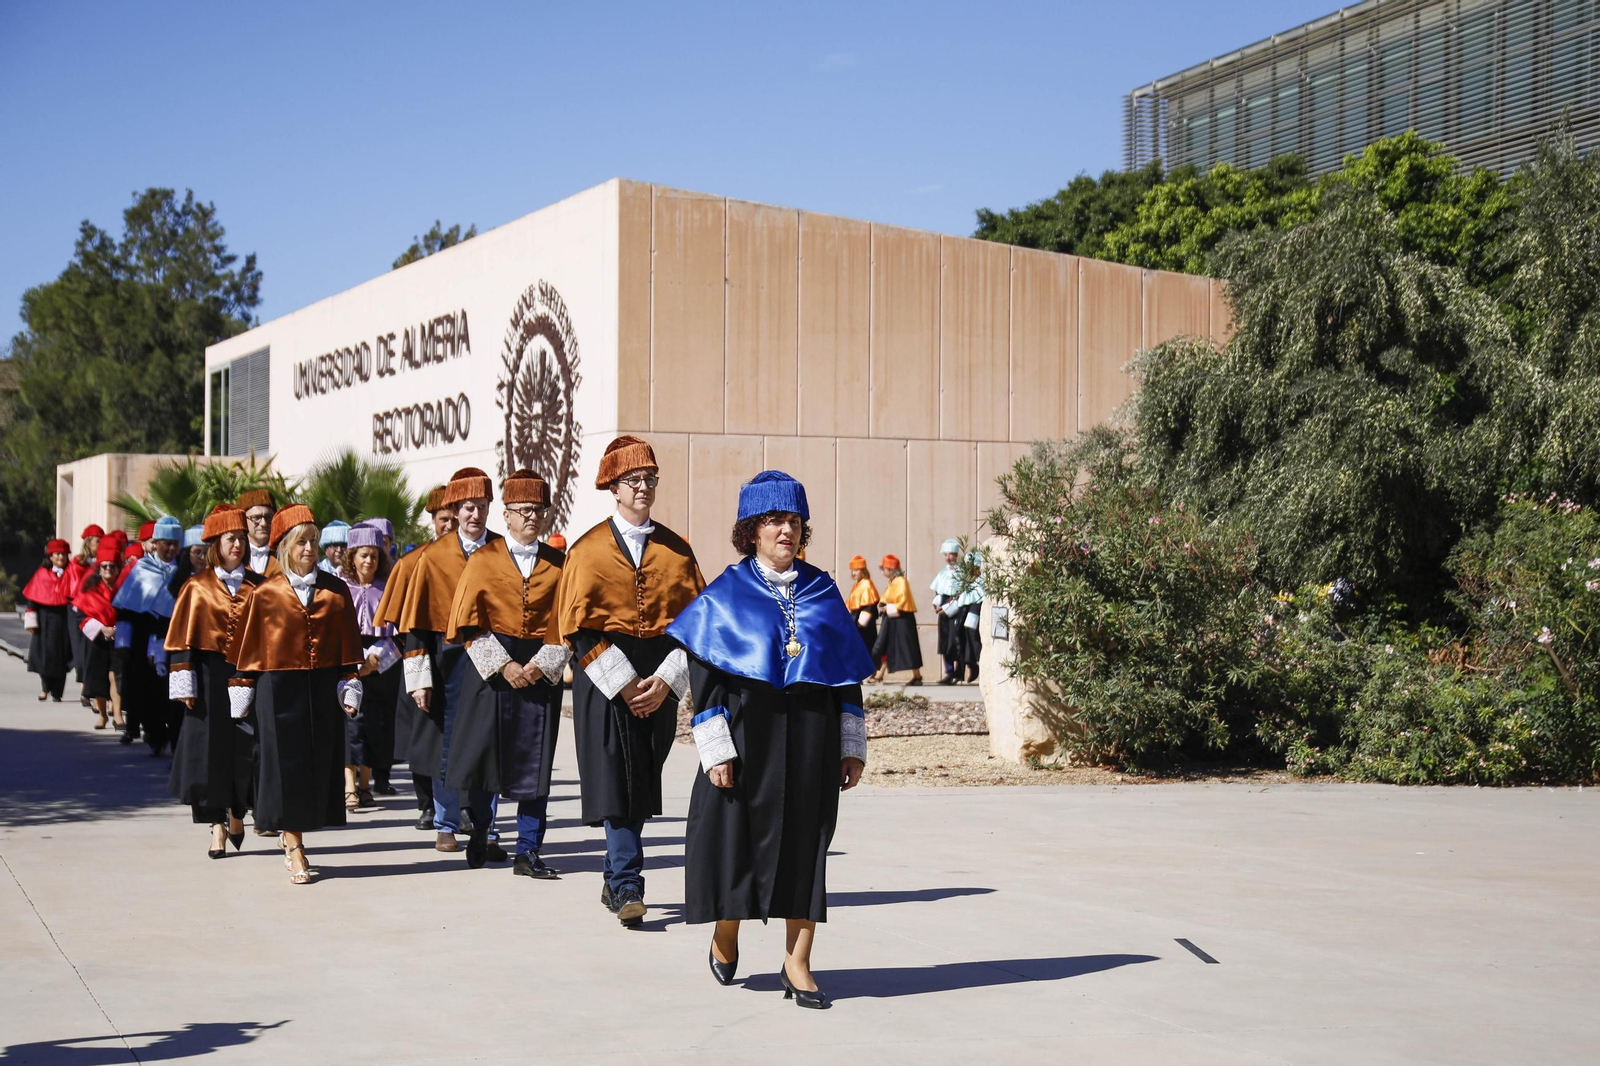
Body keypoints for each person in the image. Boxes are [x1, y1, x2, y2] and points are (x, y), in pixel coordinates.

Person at [667, 471, 871, 1008]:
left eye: (794, 521)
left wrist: (851, 743)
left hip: (811, 738)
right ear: (752, 530)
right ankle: (726, 928)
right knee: (736, 842)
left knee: (808, 845)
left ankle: (797, 962)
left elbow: (847, 676)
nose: (786, 530)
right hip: (744, 739)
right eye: (775, 521)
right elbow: (706, 680)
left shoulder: (825, 590)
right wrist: (714, 749)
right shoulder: (726, 593)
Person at [549, 435, 704, 927]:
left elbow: (695, 627)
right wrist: (621, 683)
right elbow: (575, 625)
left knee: (640, 779)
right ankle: (627, 884)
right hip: (603, 675)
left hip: (659, 674)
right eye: (633, 481)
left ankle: (613, 874)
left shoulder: (677, 550)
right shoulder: (588, 549)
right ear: (613, 487)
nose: (643, 488)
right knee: (615, 779)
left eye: (649, 480)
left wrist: (663, 681)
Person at [224, 505, 365, 885]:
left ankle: (299, 835)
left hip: (320, 688)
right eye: (302, 542)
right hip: (277, 689)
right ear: (285, 546)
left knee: (315, 765)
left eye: (313, 542)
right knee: (282, 767)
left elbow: (348, 648)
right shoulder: (265, 593)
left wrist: (349, 686)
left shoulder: (335, 591)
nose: (309, 549)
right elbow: (247, 650)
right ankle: (293, 845)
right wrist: (242, 693)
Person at [445, 470, 569, 875]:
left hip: (540, 670)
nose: (532, 518)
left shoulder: (559, 564)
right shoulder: (483, 560)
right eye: (524, 511)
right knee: (485, 758)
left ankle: (528, 850)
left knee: (535, 763)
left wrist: (541, 664)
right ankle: (480, 831)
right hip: (492, 671)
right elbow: (467, 623)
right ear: (507, 514)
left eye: (539, 511)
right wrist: (504, 664)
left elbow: (569, 622)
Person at [395, 468, 505, 856]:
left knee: (488, 746)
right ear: (455, 510)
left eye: (482, 507)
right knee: (445, 743)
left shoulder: (502, 551)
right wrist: (418, 679)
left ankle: (487, 828)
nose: (475, 515)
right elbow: (416, 626)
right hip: (445, 660)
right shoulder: (433, 557)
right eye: (469, 508)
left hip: (492, 659)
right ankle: (445, 822)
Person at [166, 505, 264, 860]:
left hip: (250, 674)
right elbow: (181, 640)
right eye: (229, 538)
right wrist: (185, 682)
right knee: (209, 754)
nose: (237, 544)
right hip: (209, 678)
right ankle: (216, 827)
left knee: (245, 750)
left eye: (241, 538)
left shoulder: (260, 586)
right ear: (215, 544)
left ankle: (238, 813)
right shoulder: (197, 587)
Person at [340, 524, 400, 810]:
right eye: (363, 555)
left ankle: (365, 786)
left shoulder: (388, 588)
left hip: (378, 667)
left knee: (374, 726)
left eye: (374, 556)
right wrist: (354, 660)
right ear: (352, 556)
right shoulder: (340, 587)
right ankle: (349, 787)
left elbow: (397, 632)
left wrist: (375, 659)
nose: (369, 561)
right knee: (350, 724)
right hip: (347, 663)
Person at [113, 515, 183, 754]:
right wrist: (123, 645)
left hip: (173, 638)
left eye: (176, 543)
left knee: (172, 694)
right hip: (143, 642)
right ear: (156, 543)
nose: (171, 548)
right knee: (147, 693)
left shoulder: (185, 572)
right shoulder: (142, 569)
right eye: (166, 543)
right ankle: (154, 735)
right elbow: (125, 611)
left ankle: (176, 740)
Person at [74, 539, 123, 730]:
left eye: (112, 566)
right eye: (104, 566)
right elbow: (80, 615)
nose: (108, 569)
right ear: (99, 569)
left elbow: (131, 613)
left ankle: (118, 716)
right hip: (97, 640)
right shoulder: (90, 590)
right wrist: (102, 629)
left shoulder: (125, 589)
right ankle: (102, 715)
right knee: (99, 678)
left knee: (115, 676)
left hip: (119, 639)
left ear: (118, 568)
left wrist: (116, 630)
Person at [22, 539, 74, 702]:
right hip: (44, 621)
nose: (61, 557)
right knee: (44, 656)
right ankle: (45, 688)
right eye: (58, 554)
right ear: (50, 556)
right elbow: (32, 600)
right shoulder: (41, 574)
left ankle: (57, 692)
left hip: (64, 620)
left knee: (62, 656)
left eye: (64, 554)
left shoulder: (71, 574)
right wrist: (31, 620)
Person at [870, 554, 922, 685]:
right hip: (891, 618)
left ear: (891, 569)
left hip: (903, 619)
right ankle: (880, 673)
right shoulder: (892, 582)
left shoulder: (901, 581)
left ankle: (917, 676)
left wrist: (887, 608)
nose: (883, 572)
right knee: (886, 645)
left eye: (884, 569)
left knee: (908, 647)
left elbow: (903, 601)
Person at [66, 524, 104, 705]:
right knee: (81, 651)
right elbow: (75, 588)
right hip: (78, 610)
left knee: (93, 650)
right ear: (88, 543)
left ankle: (90, 690)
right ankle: (84, 688)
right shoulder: (79, 563)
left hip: (96, 609)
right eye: (98, 541)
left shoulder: (104, 562)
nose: (100, 544)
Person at [931, 539, 964, 685]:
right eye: (946, 555)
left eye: (950, 554)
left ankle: (959, 672)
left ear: (956, 555)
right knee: (945, 642)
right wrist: (936, 602)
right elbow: (939, 591)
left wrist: (948, 608)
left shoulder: (962, 572)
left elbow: (962, 594)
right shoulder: (943, 572)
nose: (947, 557)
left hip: (955, 609)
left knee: (956, 642)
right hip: (943, 608)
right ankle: (949, 672)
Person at [843, 555, 880, 656]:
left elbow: (870, 604)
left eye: (856, 570)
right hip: (855, 618)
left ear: (863, 571)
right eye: (853, 571)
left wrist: (862, 620)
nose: (854, 573)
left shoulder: (867, 584)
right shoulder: (856, 585)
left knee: (866, 645)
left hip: (863, 622)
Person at [236, 489, 278, 576]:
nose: (263, 523)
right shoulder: (234, 554)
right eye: (256, 518)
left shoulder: (284, 556)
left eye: (268, 517)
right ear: (243, 520)